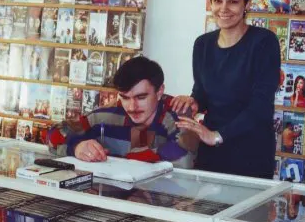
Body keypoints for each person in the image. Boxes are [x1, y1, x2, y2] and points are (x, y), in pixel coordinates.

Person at [172, 0, 281, 179]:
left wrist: (218, 136)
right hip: (210, 150)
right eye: (217, 1)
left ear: (247, 4)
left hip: (250, 153)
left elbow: (261, 106)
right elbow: (201, 92)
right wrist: (193, 102)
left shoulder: (264, 42)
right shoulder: (202, 44)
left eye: (233, 2)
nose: (224, 9)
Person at [47, 56, 198, 168]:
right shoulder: (107, 114)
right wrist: (76, 147)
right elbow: (54, 135)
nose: (132, 106)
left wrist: (128, 158)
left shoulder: (177, 115)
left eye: (141, 97)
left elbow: (184, 159)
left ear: (159, 92)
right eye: (125, 97)